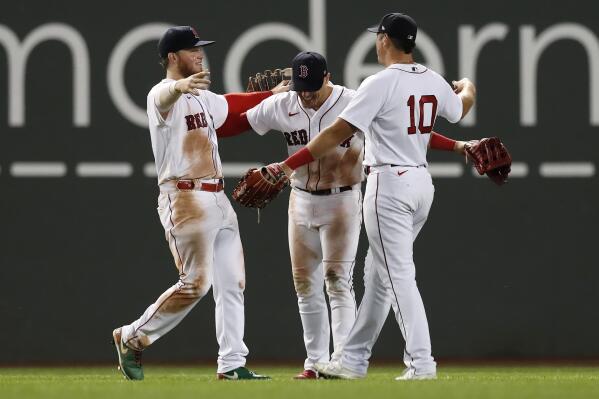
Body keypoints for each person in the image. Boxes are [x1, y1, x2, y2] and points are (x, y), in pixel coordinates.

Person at [269, 13, 477, 380]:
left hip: (389, 186)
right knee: (379, 278)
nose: (376, 43)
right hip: (421, 185)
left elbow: (336, 133)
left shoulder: (378, 83)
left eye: (377, 37)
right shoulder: (431, 80)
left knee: (398, 277)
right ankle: (352, 360)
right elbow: (460, 109)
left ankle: (422, 363)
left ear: (385, 40)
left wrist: (288, 165)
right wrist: (468, 86)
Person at [111, 25, 289, 381]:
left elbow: (233, 106)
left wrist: (271, 95)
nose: (200, 54)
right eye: (192, 50)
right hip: (185, 197)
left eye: (200, 49)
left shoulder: (203, 97)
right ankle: (131, 335)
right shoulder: (161, 94)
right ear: (173, 57)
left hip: (218, 198)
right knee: (195, 283)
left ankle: (232, 363)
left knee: (232, 282)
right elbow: (164, 97)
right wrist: (178, 86)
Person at [220, 51, 363, 379]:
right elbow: (234, 122)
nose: (306, 95)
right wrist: (199, 114)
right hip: (300, 200)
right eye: (301, 88)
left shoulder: (353, 102)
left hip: (343, 200)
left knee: (338, 281)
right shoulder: (285, 102)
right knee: (304, 284)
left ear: (328, 77)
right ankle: (314, 362)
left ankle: (344, 360)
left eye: (312, 87)